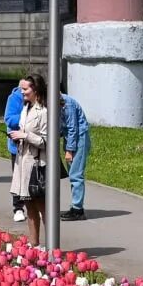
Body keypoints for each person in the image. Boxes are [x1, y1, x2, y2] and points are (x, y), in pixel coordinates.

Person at [9, 72, 49, 247]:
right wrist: (17, 137)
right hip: (23, 161)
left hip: (37, 164)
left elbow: (46, 141)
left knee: (42, 206)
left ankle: (51, 245)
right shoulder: (26, 108)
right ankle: (34, 245)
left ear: (35, 90)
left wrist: (25, 135)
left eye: (25, 89)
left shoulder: (45, 111)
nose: (22, 92)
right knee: (28, 205)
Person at [60, 91, 91, 221]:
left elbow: (73, 128)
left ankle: (78, 210)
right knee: (73, 173)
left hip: (79, 139)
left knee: (76, 174)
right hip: (70, 138)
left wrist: (69, 150)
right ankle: (75, 206)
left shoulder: (68, 103)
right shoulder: (57, 103)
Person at [4, 80, 27, 223]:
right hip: (18, 145)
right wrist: (27, 116)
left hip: (36, 144)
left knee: (37, 177)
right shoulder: (15, 98)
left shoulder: (41, 99)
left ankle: (37, 206)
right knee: (18, 176)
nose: (24, 92)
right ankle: (18, 207)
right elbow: (9, 119)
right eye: (22, 89)